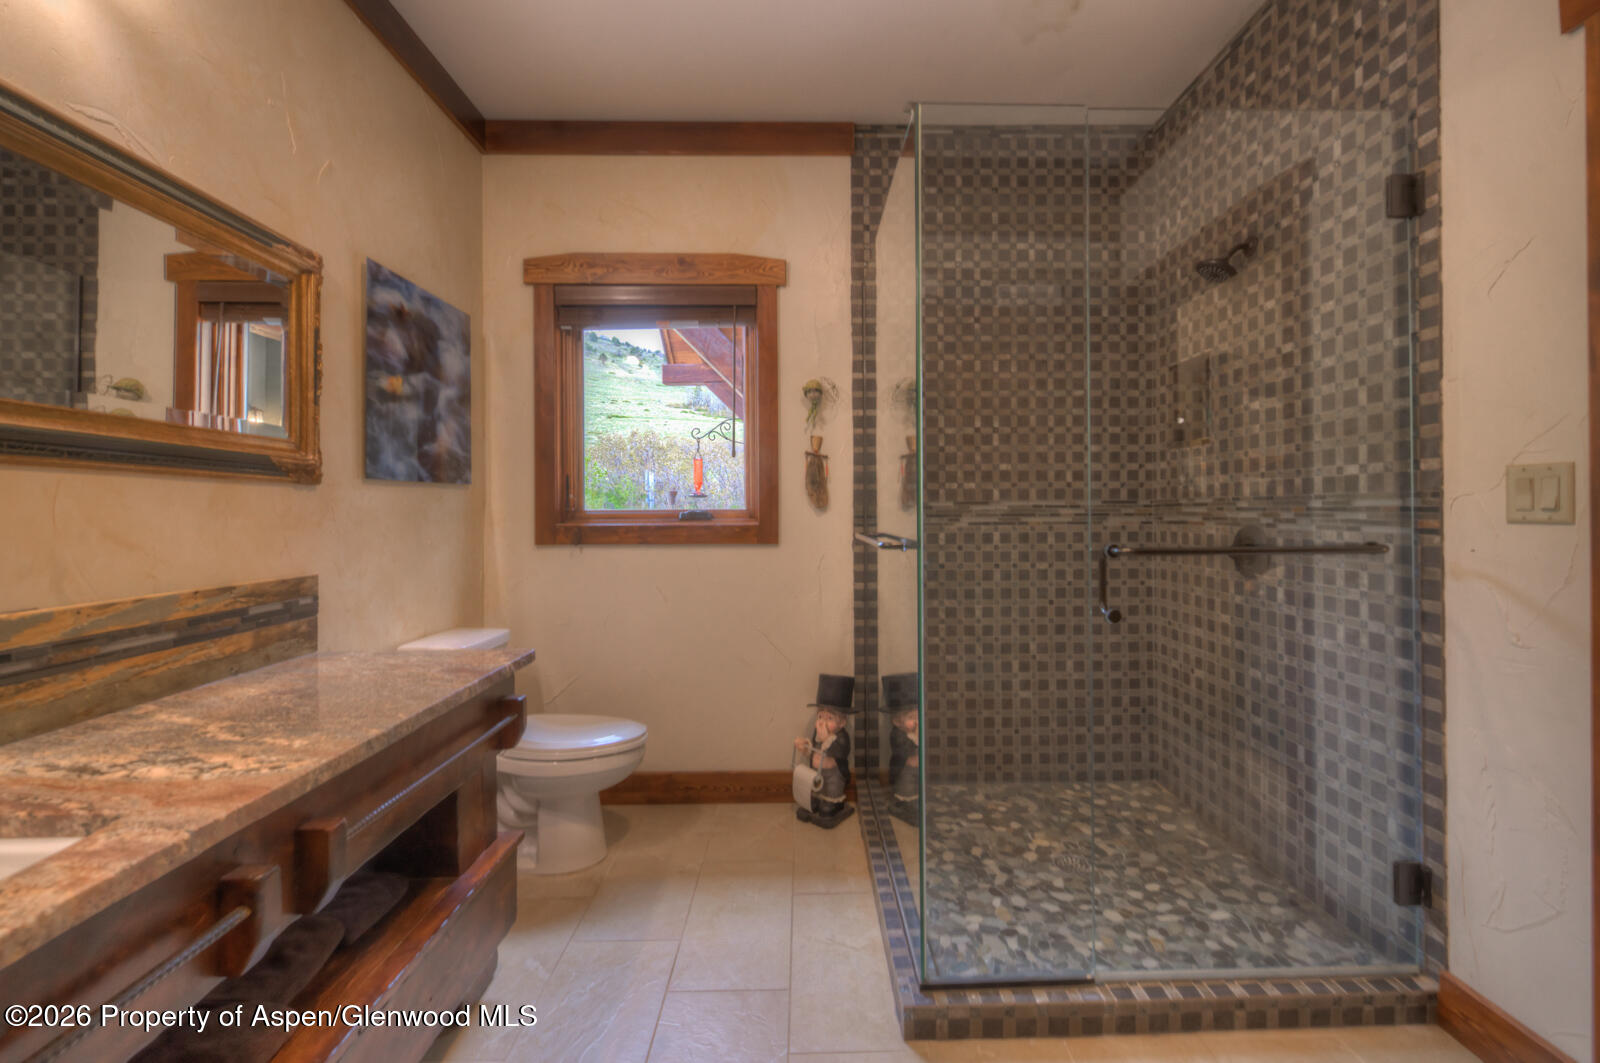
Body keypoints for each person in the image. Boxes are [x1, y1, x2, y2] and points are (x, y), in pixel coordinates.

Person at [793, 673, 857, 828]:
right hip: (818, 773)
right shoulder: (819, 733)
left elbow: (838, 752)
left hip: (834, 774)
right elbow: (815, 749)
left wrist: (826, 738)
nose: (822, 722)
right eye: (821, 716)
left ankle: (833, 804)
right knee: (818, 791)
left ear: (842, 722)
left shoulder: (842, 738)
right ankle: (819, 799)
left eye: (830, 718)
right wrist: (805, 746)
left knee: (832, 789)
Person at [879, 672, 920, 824]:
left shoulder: (920, 732)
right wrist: (916, 737)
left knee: (919, 790)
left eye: (919, 716)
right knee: (906, 789)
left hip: (919, 771)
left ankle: (915, 803)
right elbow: (904, 751)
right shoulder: (898, 735)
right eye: (911, 717)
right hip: (905, 772)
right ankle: (906, 804)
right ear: (897, 721)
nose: (917, 722)